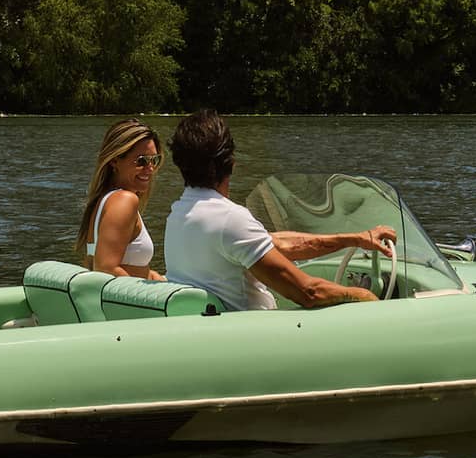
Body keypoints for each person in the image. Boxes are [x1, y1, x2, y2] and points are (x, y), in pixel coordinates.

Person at [164, 109, 395, 312]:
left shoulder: (179, 214)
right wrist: (362, 295)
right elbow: (308, 293)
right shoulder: (229, 219)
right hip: (254, 337)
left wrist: (354, 239)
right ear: (231, 163)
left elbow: (277, 244)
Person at [76, 118, 167, 281]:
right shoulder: (124, 200)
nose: (150, 168)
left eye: (155, 160)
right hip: (126, 304)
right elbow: (106, 269)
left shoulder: (107, 200)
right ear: (115, 160)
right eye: (142, 161)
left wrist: (156, 278)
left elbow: (127, 267)